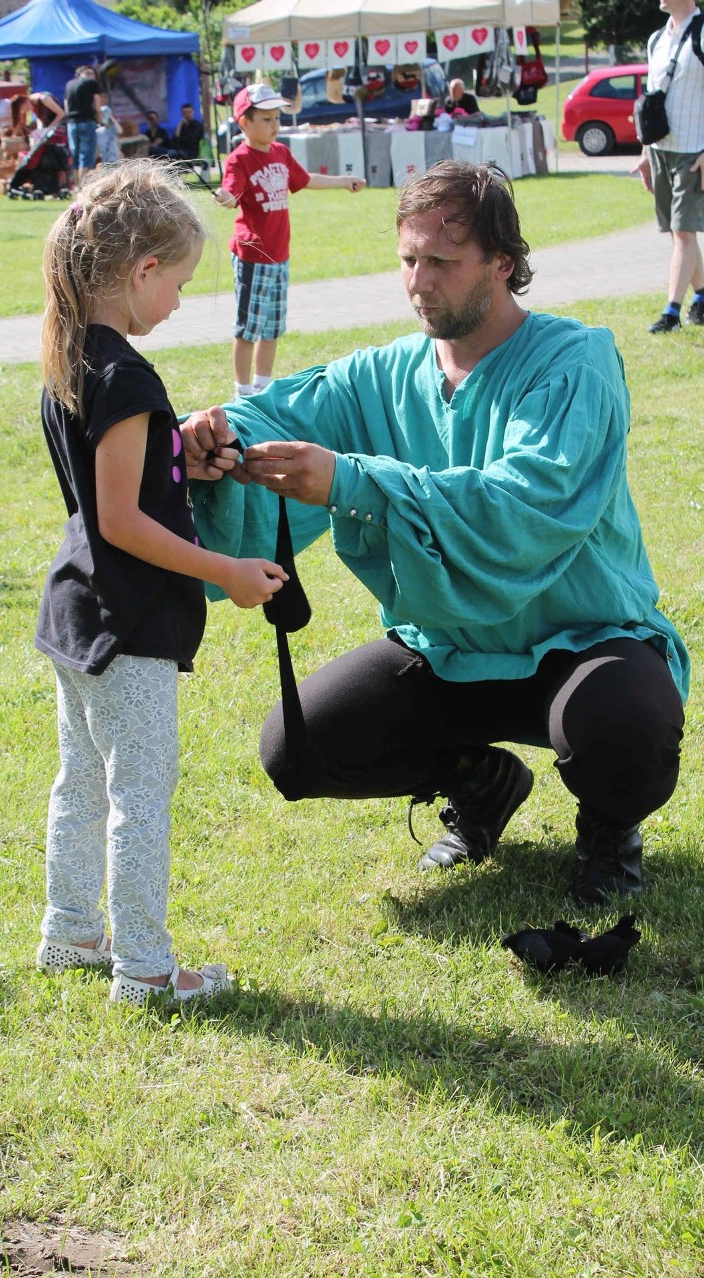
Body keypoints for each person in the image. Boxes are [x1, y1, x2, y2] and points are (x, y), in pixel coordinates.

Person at [182, 159, 689, 908]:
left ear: (502, 264)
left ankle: (610, 828)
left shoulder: (574, 362)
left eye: (444, 262)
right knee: (299, 746)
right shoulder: (383, 375)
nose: (420, 281)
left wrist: (354, 482)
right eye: (409, 260)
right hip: (450, 650)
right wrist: (214, 437)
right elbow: (282, 414)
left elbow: (522, 506)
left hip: (583, 638)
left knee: (625, 724)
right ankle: (482, 784)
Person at [34, 159, 287, 1006]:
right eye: (177, 284)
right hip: (129, 624)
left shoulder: (74, 353)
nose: (179, 302)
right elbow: (121, 519)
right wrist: (227, 571)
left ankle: (71, 931)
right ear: (141, 272)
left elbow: (123, 477)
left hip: (77, 613)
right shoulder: (126, 375)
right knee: (138, 797)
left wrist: (182, 446)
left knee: (83, 782)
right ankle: (144, 968)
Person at [212, 83, 366, 402]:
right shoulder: (240, 159)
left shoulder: (281, 153)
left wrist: (342, 181)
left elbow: (305, 179)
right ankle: (242, 393)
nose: (274, 125)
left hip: (279, 256)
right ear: (244, 123)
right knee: (248, 327)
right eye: (266, 119)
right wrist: (225, 198)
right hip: (252, 256)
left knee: (272, 327)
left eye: (276, 118)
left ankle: (263, 388)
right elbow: (231, 194)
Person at [633, 0, 704, 333]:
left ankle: (671, 314)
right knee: (679, 234)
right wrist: (645, 152)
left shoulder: (702, 32)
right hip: (661, 150)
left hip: (694, 152)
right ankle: (702, 298)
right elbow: (651, 99)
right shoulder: (656, 39)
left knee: (683, 232)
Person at [64, 65, 102, 183]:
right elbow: (97, 104)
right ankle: (84, 187)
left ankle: (77, 186)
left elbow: (66, 106)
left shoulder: (69, 84)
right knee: (86, 156)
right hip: (87, 121)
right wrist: (99, 119)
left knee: (75, 155)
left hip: (71, 123)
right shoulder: (91, 83)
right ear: (91, 75)